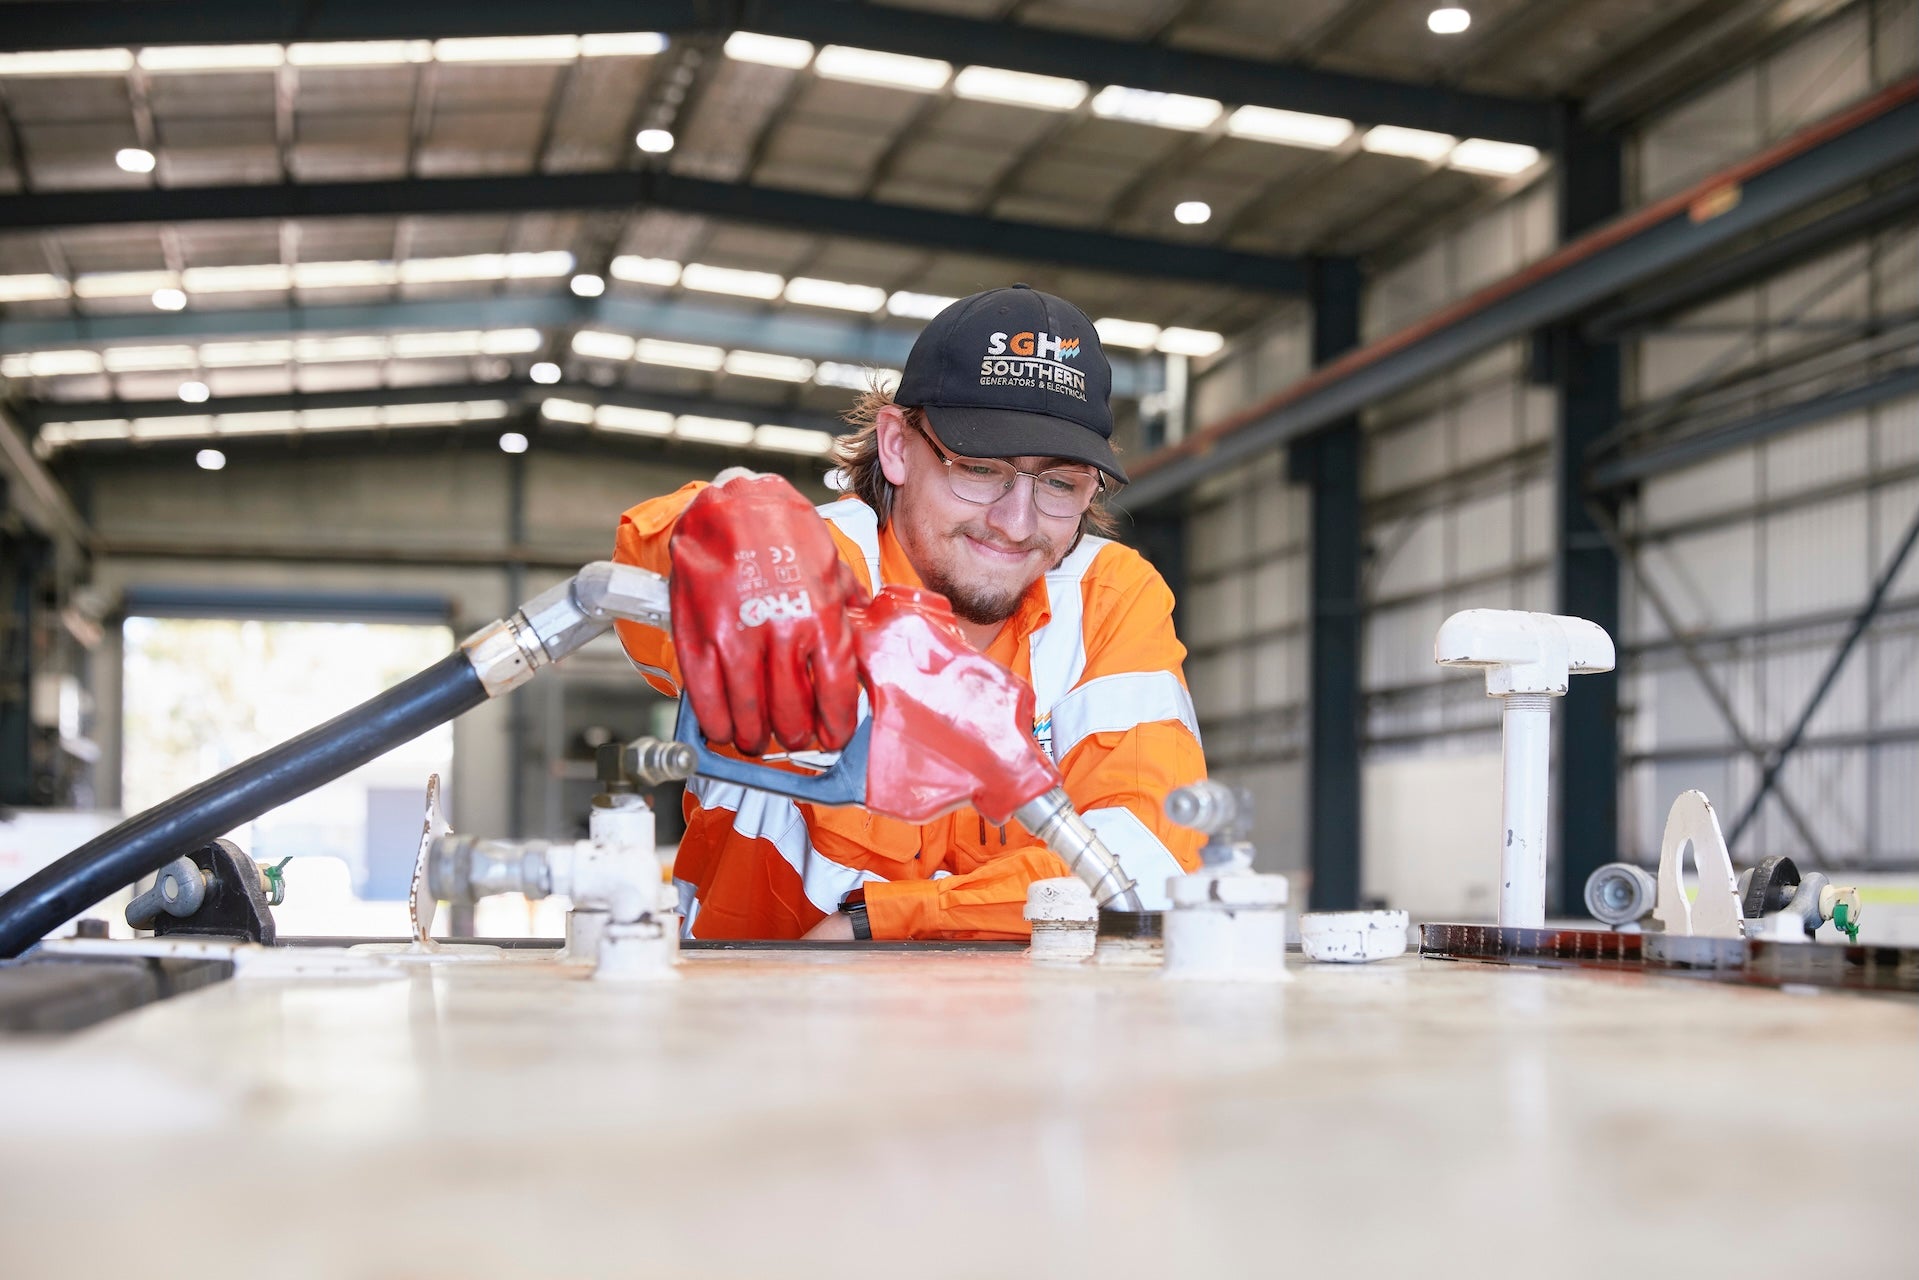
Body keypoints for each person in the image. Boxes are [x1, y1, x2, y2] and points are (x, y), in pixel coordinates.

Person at [611, 284, 1206, 940]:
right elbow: (644, 584)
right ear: (896, 445)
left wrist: (881, 923)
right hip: (754, 1018)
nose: (1015, 523)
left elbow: (1150, 860)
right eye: (979, 470)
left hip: (1027, 1030)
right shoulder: (815, 564)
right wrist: (724, 538)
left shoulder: (1105, 596)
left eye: (1060, 484)